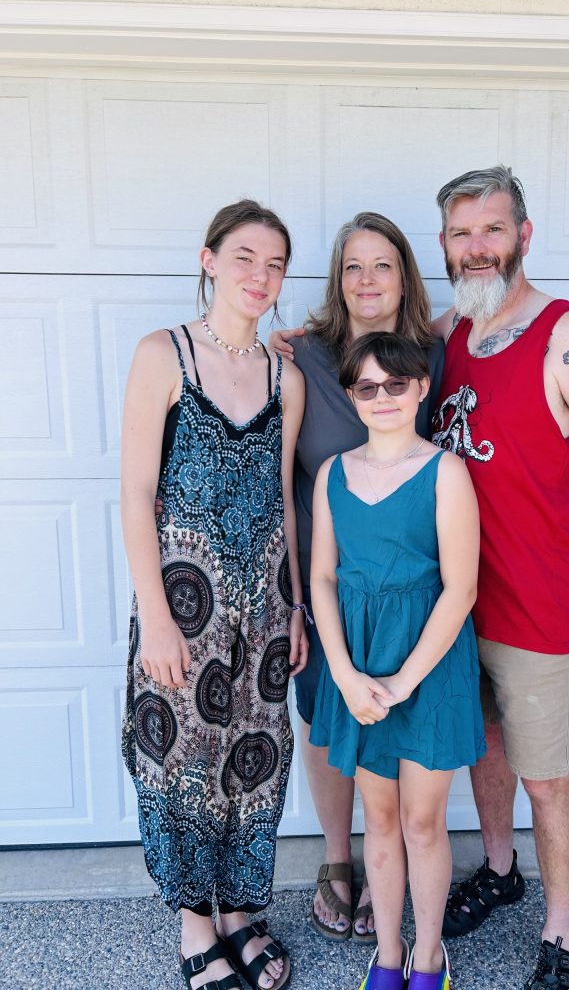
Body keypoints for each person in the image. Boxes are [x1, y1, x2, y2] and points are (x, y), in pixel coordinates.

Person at [430, 166, 569, 990]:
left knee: (546, 776)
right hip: (456, 604)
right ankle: (499, 870)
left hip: (539, 603)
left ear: (524, 235)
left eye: (492, 229)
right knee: (483, 749)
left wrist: (559, 512)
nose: (477, 247)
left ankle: (560, 934)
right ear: (445, 246)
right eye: (461, 233)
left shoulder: (566, 332)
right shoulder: (453, 333)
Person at [121, 199, 307, 990]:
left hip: (264, 609)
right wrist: (156, 619)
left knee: (253, 763)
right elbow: (134, 493)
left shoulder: (286, 378)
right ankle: (196, 927)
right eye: (244, 257)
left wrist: (295, 606)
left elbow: (284, 497)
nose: (259, 276)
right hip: (183, 609)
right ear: (208, 260)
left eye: (274, 264)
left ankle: (238, 911)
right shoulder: (164, 355)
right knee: (184, 762)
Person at [269, 212, 444, 942]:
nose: (367, 281)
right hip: (331, 587)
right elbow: (281, 476)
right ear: (336, 282)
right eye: (352, 267)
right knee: (329, 716)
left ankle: (394, 866)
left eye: (382, 265)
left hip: (421, 589)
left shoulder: (439, 352)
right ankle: (340, 860)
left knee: (408, 719)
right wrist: (296, 600)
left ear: (405, 275)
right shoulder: (302, 356)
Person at [309, 331, 485, 990]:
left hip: (428, 668)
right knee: (377, 818)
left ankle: (429, 957)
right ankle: (387, 955)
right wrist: (349, 676)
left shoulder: (445, 472)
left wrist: (401, 682)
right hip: (356, 664)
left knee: (421, 819)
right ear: (353, 395)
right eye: (367, 387)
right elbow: (322, 579)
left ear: (417, 389)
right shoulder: (334, 473)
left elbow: (461, 588)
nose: (382, 397)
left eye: (395, 384)